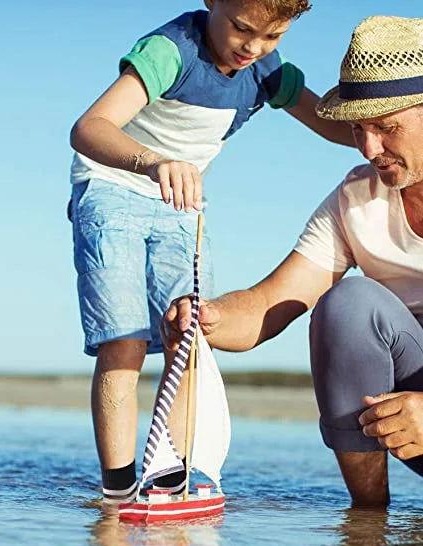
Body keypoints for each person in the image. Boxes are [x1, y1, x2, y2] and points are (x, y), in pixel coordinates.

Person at [68, 0, 355, 501]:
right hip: (112, 186)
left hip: (180, 201)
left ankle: (169, 474)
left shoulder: (267, 71)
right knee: (126, 340)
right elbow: (89, 127)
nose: (253, 46)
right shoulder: (169, 50)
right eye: (242, 28)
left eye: (272, 37)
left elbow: (334, 127)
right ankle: (115, 490)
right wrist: (154, 162)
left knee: (189, 333)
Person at [162, 15, 423, 507]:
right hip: (412, 416)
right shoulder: (355, 200)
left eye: (386, 128)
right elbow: (271, 301)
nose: (368, 148)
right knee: (348, 303)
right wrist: (206, 318)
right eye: (359, 128)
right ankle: (367, 524)